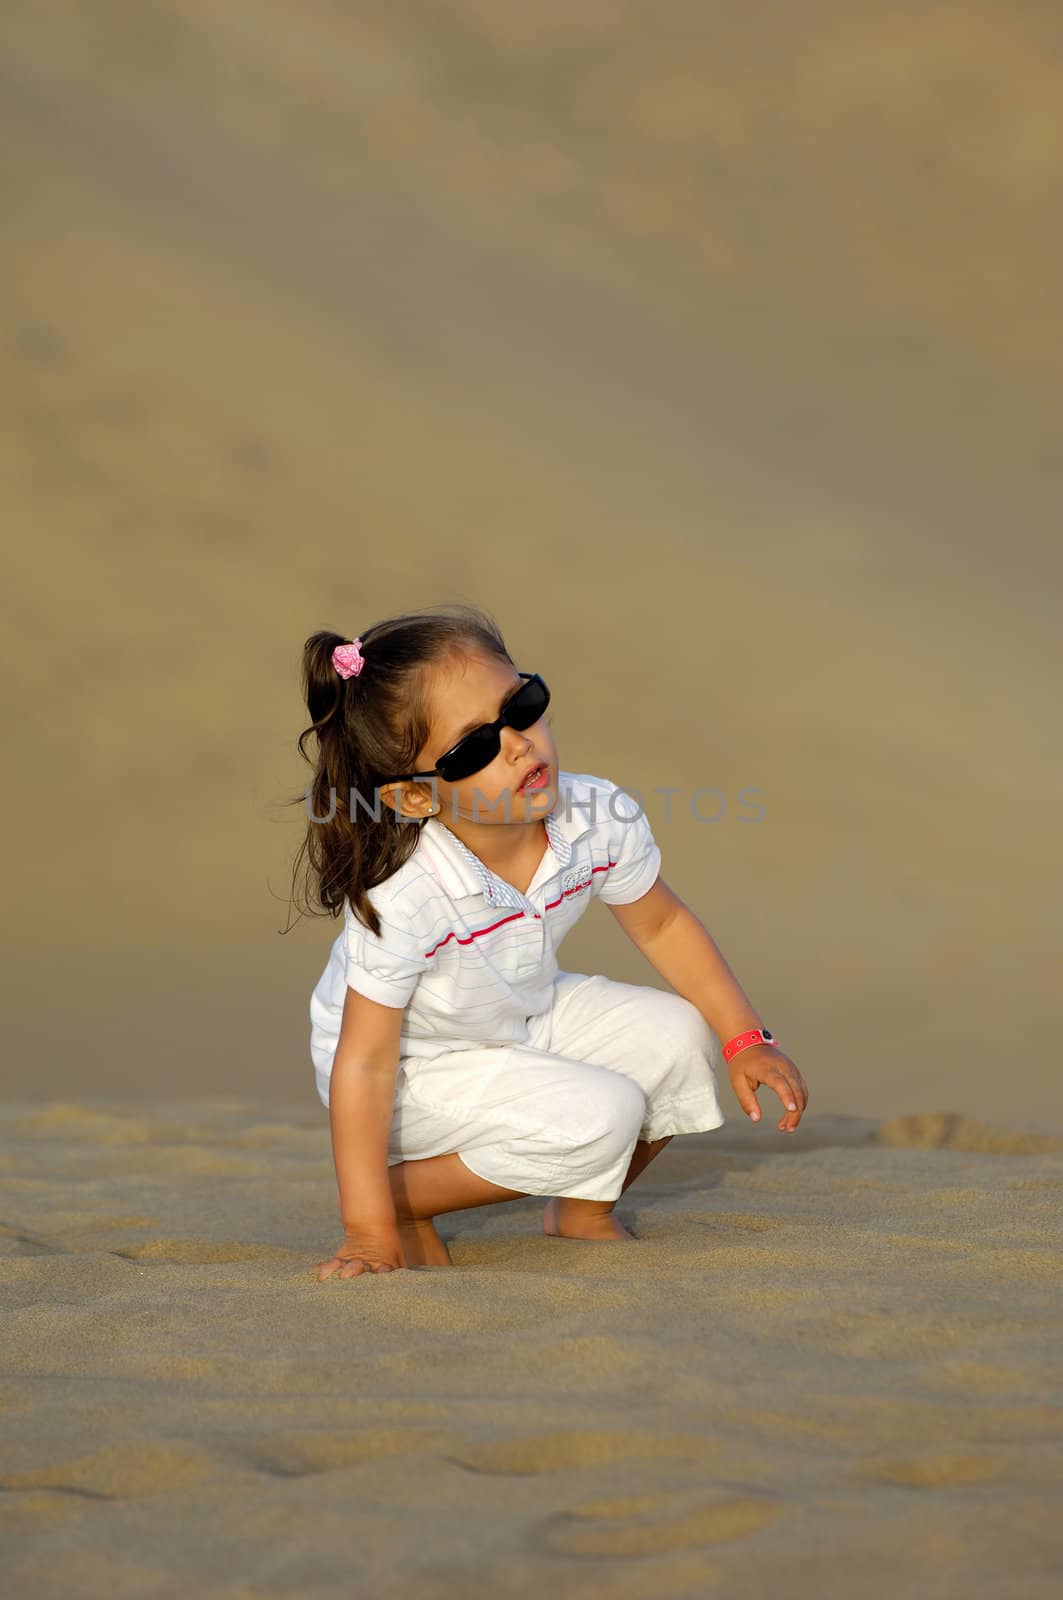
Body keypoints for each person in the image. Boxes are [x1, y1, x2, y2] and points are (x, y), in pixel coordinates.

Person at [289, 604, 808, 1280]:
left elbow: (662, 924)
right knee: (605, 1113)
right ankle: (396, 1203)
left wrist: (745, 1038)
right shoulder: (409, 892)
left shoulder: (596, 816)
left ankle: (583, 1210)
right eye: (473, 746)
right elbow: (363, 1064)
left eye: (522, 706)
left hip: (517, 1015)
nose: (517, 743)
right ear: (415, 799)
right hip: (413, 1071)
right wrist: (366, 1234)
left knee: (678, 1038)